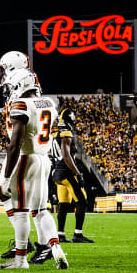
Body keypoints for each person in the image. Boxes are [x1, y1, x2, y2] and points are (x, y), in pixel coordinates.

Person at [0, 68, 68, 269]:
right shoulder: (49, 103)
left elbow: (15, 144)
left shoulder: (21, 104)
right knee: (41, 210)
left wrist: (5, 178)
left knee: (21, 211)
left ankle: (20, 259)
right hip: (44, 159)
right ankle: (56, 248)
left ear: (20, 85)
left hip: (26, 158)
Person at [34, 106, 94, 264]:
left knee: (64, 204)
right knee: (82, 200)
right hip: (66, 171)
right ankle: (78, 234)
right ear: (70, 120)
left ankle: (60, 233)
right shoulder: (66, 133)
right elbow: (67, 156)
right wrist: (77, 173)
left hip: (56, 174)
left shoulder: (54, 133)